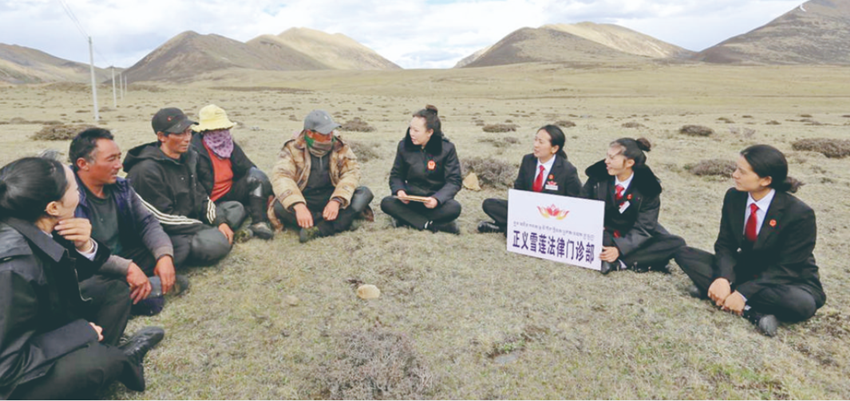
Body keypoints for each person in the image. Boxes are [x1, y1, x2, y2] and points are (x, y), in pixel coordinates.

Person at [0, 157, 164, 398]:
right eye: (75, 188)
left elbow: (66, 278)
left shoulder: (35, 223)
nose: (79, 192)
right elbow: (6, 366)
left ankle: (102, 357)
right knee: (99, 362)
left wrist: (85, 245)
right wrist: (78, 334)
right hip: (11, 379)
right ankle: (113, 360)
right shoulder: (11, 269)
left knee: (114, 291)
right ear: (53, 207)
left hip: (35, 328)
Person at [674, 145, 826, 337]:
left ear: (766, 180)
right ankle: (745, 307)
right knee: (683, 253)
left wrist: (743, 293)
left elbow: (788, 267)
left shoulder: (799, 214)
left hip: (786, 280)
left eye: (742, 172)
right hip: (746, 269)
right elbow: (725, 245)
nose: (734, 175)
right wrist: (723, 278)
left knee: (801, 304)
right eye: (736, 169)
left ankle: (721, 295)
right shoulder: (734, 197)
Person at [69, 128, 187, 316]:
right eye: (111, 159)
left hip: (124, 253)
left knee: (178, 245)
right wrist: (127, 268)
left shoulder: (120, 187)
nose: (119, 165)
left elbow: (147, 223)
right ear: (83, 164)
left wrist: (164, 256)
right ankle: (140, 290)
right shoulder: (66, 196)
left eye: (119, 157)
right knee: (94, 285)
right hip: (90, 266)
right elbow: (78, 253)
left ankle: (140, 287)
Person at [124, 107, 245, 268]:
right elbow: (161, 218)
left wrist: (219, 221)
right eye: (180, 133)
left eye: (188, 132)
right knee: (216, 244)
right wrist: (202, 227)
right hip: (167, 231)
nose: (187, 138)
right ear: (161, 136)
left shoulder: (189, 156)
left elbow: (200, 194)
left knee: (235, 208)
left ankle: (216, 232)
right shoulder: (145, 170)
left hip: (190, 218)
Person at [580, 138, 685, 274]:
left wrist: (619, 248)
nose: (606, 161)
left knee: (676, 243)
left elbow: (644, 227)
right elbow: (583, 206)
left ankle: (620, 262)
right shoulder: (598, 176)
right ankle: (642, 260)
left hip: (633, 234)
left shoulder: (648, 186)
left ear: (629, 163)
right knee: (602, 240)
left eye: (612, 158)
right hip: (605, 231)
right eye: (607, 156)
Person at [270, 110, 374, 243]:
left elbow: (351, 173)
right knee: (280, 206)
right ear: (310, 133)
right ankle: (341, 222)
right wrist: (298, 205)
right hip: (306, 198)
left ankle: (319, 228)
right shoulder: (292, 148)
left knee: (364, 193)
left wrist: (337, 200)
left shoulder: (340, 146)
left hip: (331, 195)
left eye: (331, 131)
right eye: (325, 133)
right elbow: (281, 176)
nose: (330, 136)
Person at [478, 124, 582, 234]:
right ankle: (519, 226)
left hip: (551, 217)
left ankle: (503, 228)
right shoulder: (528, 160)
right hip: (527, 210)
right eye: (535, 140)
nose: (535, 145)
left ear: (554, 148)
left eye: (541, 142)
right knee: (489, 204)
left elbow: (576, 202)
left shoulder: (567, 170)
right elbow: (519, 188)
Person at [192, 104, 275, 240]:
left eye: (225, 128)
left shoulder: (228, 144)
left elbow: (249, 168)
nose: (223, 132)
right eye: (218, 129)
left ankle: (259, 222)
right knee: (234, 213)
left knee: (257, 176)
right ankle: (236, 219)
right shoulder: (193, 151)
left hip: (231, 192)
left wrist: (267, 192)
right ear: (206, 130)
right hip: (209, 202)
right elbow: (196, 191)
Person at [381, 105, 462, 234]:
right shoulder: (404, 146)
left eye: (416, 130)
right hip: (411, 199)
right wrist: (400, 191)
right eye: (410, 129)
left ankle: (406, 219)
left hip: (434, 201)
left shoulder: (447, 148)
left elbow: (454, 181)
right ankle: (430, 225)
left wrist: (437, 199)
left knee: (454, 208)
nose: (411, 133)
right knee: (387, 203)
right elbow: (396, 175)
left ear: (429, 132)